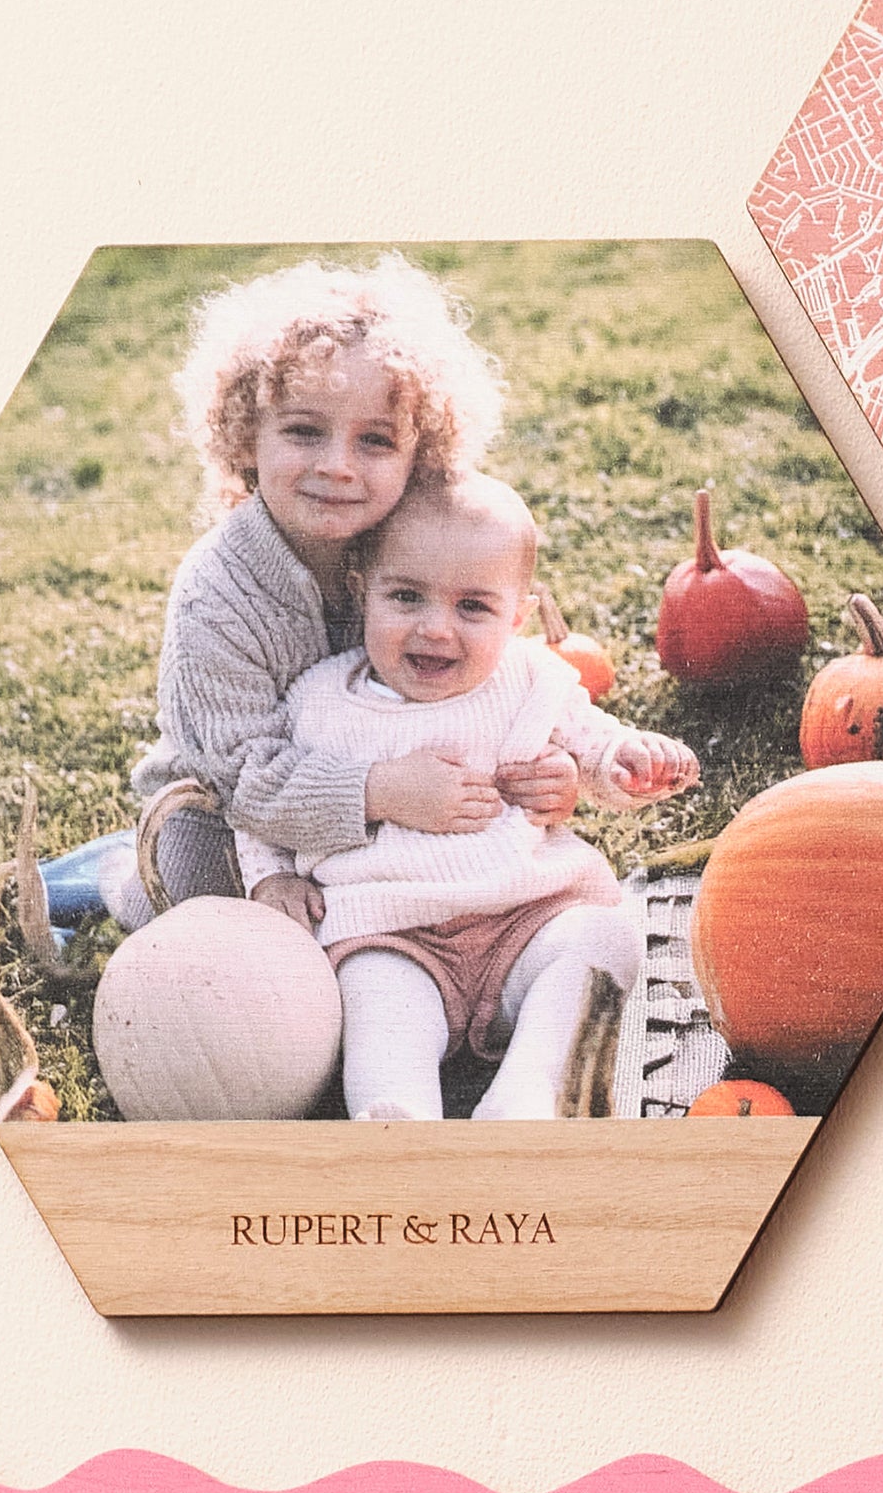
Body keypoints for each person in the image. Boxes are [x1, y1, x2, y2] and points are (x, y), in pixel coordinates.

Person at [92, 254, 580, 931]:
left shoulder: (417, 549)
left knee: (467, 905)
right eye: (303, 431)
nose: (337, 466)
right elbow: (240, 777)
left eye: (375, 441)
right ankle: (123, 880)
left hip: (395, 788)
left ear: (421, 456)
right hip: (231, 814)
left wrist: (546, 766)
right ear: (246, 436)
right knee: (213, 923)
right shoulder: (217, 595)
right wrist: (374, 794)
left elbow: (488, 678)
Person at [235, 476, 699, 1120]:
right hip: (391, 933)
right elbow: (263, 794)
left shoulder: (530, 678)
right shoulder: (318, 703)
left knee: (602, 940)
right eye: (405, 596)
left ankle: (529, 1091)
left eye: (473, 607)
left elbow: (593, 742)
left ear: (518, 617)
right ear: (360, 591)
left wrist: (623, 763)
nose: (436, 629)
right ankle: (399, 1115)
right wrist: (270, 877)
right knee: (377, 1008)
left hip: (526, 914)